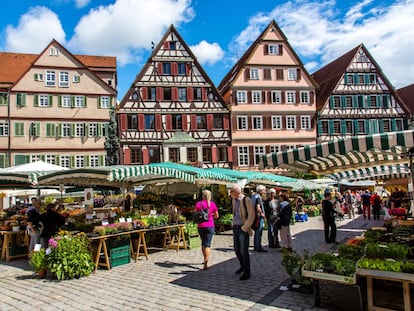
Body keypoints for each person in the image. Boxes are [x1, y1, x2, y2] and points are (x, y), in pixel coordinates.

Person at [230, 184, 255, 281]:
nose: (230, 193)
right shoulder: (233, 200)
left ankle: (247, 272)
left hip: (242, 228)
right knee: (236, 249)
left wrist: (245, 228)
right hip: (235, 227)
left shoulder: (246, 200)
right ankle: (242, 266)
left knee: (243, 251)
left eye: (231, 191)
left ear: (237, 191)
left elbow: (251, 215)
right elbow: (235, 213)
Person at [194, 190, 219, 270]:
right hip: (210, 225)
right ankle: (205, 263)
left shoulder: (199, 204)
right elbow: (217, 215)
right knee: (208, 244)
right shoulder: (213, 204)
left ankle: (204, 258)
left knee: (203, 243)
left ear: (203, 196)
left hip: (201, 226)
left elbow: (195, 213)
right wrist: (211, 216)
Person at [252, 185, 267, 252]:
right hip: (258, 217)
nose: (265, 192)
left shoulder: (253, 196)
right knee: (259, 232)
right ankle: (258, 247)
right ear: (260, 191)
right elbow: (258, 208)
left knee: (257, 232)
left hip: (254, 216)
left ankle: (256, 246)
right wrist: (262, 214)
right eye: (264, 190)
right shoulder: (258, 197)